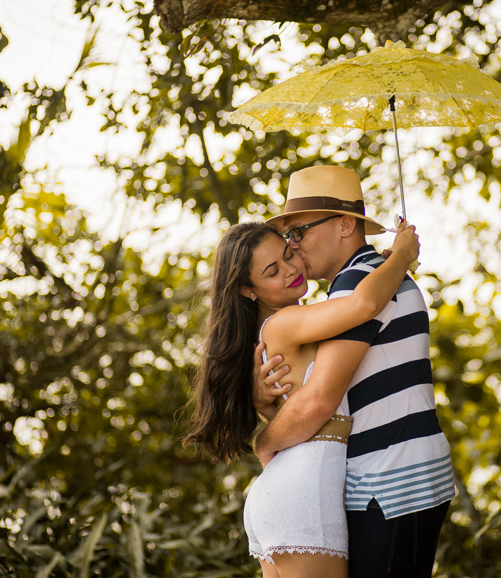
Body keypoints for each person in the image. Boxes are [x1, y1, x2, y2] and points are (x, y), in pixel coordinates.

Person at [184, 208, 421, 578]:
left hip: (287, 492)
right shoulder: (287, 323)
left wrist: (384, 262)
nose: (290, 270)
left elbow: (297, 419)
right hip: (305, 497)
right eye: (272, 271)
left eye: (289, 254)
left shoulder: (285, 327)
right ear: (249, 290)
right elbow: (363, 304)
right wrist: (403, 256)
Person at [254, 165, 456, 578]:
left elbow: (319, 401)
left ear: (345, 224)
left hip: (390, 481)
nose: (293, 247)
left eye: (300, 232)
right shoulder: (375, 276)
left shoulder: (358, 281)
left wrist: (264, 443)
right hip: (405, 476)